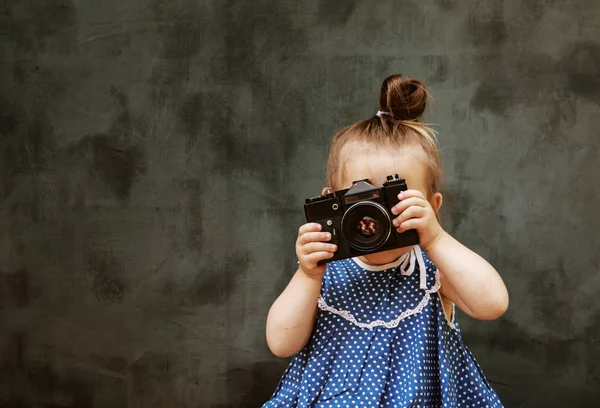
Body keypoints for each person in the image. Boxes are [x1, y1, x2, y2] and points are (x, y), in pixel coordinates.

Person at [262, 74, 509, 407]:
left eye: (393, 200)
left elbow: (492, 304)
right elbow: (281, 343)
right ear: (330, 205)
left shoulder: (432, 271)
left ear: (431, 207)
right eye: (361, 201)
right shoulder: (322, 274)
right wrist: (308, 275)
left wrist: (435, 238)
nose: (374, 219)